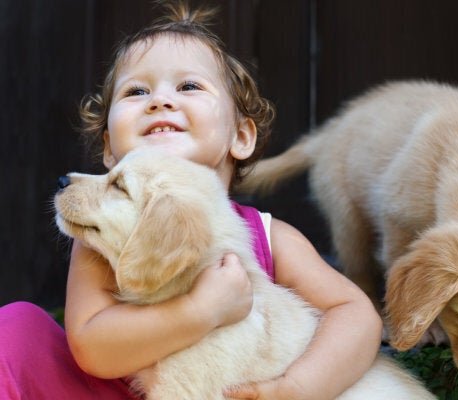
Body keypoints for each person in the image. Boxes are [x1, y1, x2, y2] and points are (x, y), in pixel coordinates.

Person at [0, 2, 382, 399]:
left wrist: (299, 387)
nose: (159, 101)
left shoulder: (270, 238)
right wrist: (202, 311)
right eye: (137, 91)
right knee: (16, 328)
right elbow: (93, 350)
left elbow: (355, 315)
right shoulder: (98, 236)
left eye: (188, 86)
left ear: (241, 137)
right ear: (110, 149)